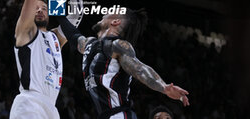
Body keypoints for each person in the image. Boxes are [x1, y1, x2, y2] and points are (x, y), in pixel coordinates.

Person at [56, 8, 190, 119]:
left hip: (119, 115)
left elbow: (140, 69)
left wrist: (164, 87)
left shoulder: (118, 46)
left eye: (109, 11)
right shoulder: (89, 44)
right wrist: (56, 3)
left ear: (115, 21)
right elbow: (71, 32)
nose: (104, 13)